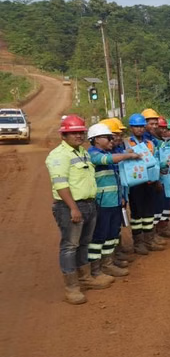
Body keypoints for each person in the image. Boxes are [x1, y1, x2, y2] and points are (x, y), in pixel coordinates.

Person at [46, 116, 103, 304]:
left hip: (89, 204)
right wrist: (73, 208)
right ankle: (71, 287)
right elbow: (60, 184)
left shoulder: (82, 152)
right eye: (74, 132)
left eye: (81, 132)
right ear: (64, 135)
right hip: (71, 206)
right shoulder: (58, 155)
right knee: (70, 246)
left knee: (84, 242)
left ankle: (85, 277)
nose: (79, 135)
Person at [86, 123, 141, 279]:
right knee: (99, 236)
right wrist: (128, 155)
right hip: (102, 203)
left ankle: (108, 263)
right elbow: (109, 159)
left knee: (112, 234)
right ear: (96, 139)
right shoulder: (93, 155)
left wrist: (122, 197)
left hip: (115, 201)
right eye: (108, 138)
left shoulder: (107, 153)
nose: (112, 140)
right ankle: (96, 268)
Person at [125, 113, 165, 253]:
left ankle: (149, 239)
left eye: (141, 126)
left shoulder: (150, 143)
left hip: (149, 181)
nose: (139, 129)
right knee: (137, 213)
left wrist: (157, 180)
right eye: (136, 127)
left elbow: (155, 163)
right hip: (135, 183)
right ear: (131, 128)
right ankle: (138, 242)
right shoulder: (127, 143)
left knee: (149, 211)